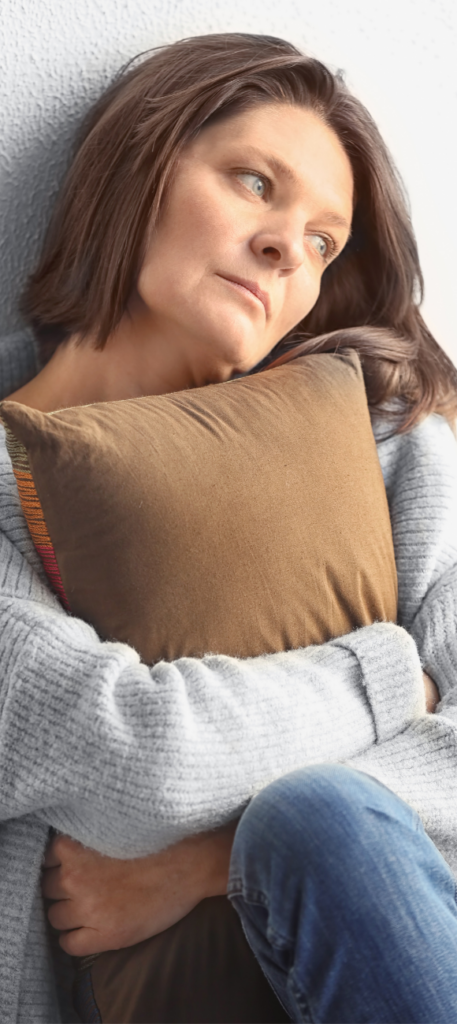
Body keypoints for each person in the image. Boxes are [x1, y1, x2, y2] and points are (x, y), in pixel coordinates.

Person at [1, 30, 457, 1024]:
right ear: (144, 163)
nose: (288, 247)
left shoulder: (382, 433)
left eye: (323, 241)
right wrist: (392, 673)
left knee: (320, 820)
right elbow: (135, 755)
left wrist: (207, 861)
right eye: (256, 183)